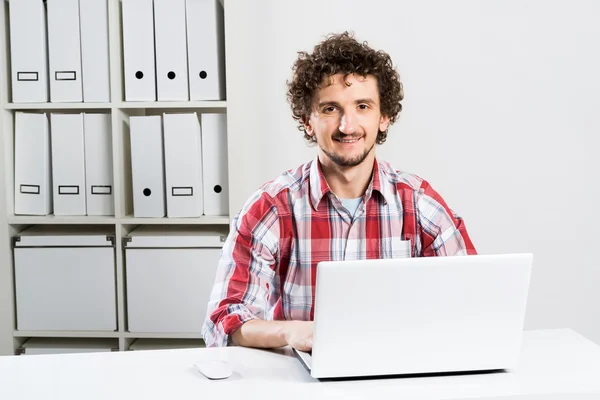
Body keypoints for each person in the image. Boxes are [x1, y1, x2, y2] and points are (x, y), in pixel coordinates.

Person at [201, 31, 477, 350]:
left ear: (384, 117)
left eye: (362, 106)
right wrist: (292, 332)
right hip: (302, 379)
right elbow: (225, 319)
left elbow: (470, 302)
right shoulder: (271, 208)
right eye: (331, 109)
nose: (347, 126)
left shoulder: (419, 203)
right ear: (307, 120)